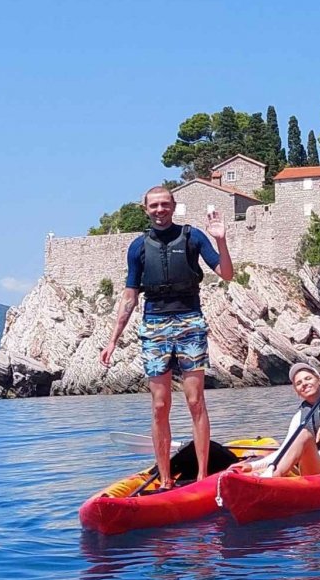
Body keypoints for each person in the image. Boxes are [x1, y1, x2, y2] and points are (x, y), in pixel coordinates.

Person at [99, 185, 234, 485]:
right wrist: (112, 341)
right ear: (145, 209)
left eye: (164, 205)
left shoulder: (193, 237)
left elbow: (226, 274)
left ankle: (201, 476)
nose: (159, 210)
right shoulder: (137, 247)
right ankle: (165, 479)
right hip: (155, 326)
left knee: (195, 401)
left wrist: (221, 240)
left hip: (190, 322)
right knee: (160, 405)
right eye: (154, 206)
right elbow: (130, 298)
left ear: (173, 206)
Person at [236, 362, 320, 477]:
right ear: (297, 391)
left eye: (308, 378)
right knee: (303, 434)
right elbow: (285, 449)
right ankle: (271, 476)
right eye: (298, 383)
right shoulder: (299, 417)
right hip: (316, 467)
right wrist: (252, 466)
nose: (304, 384)